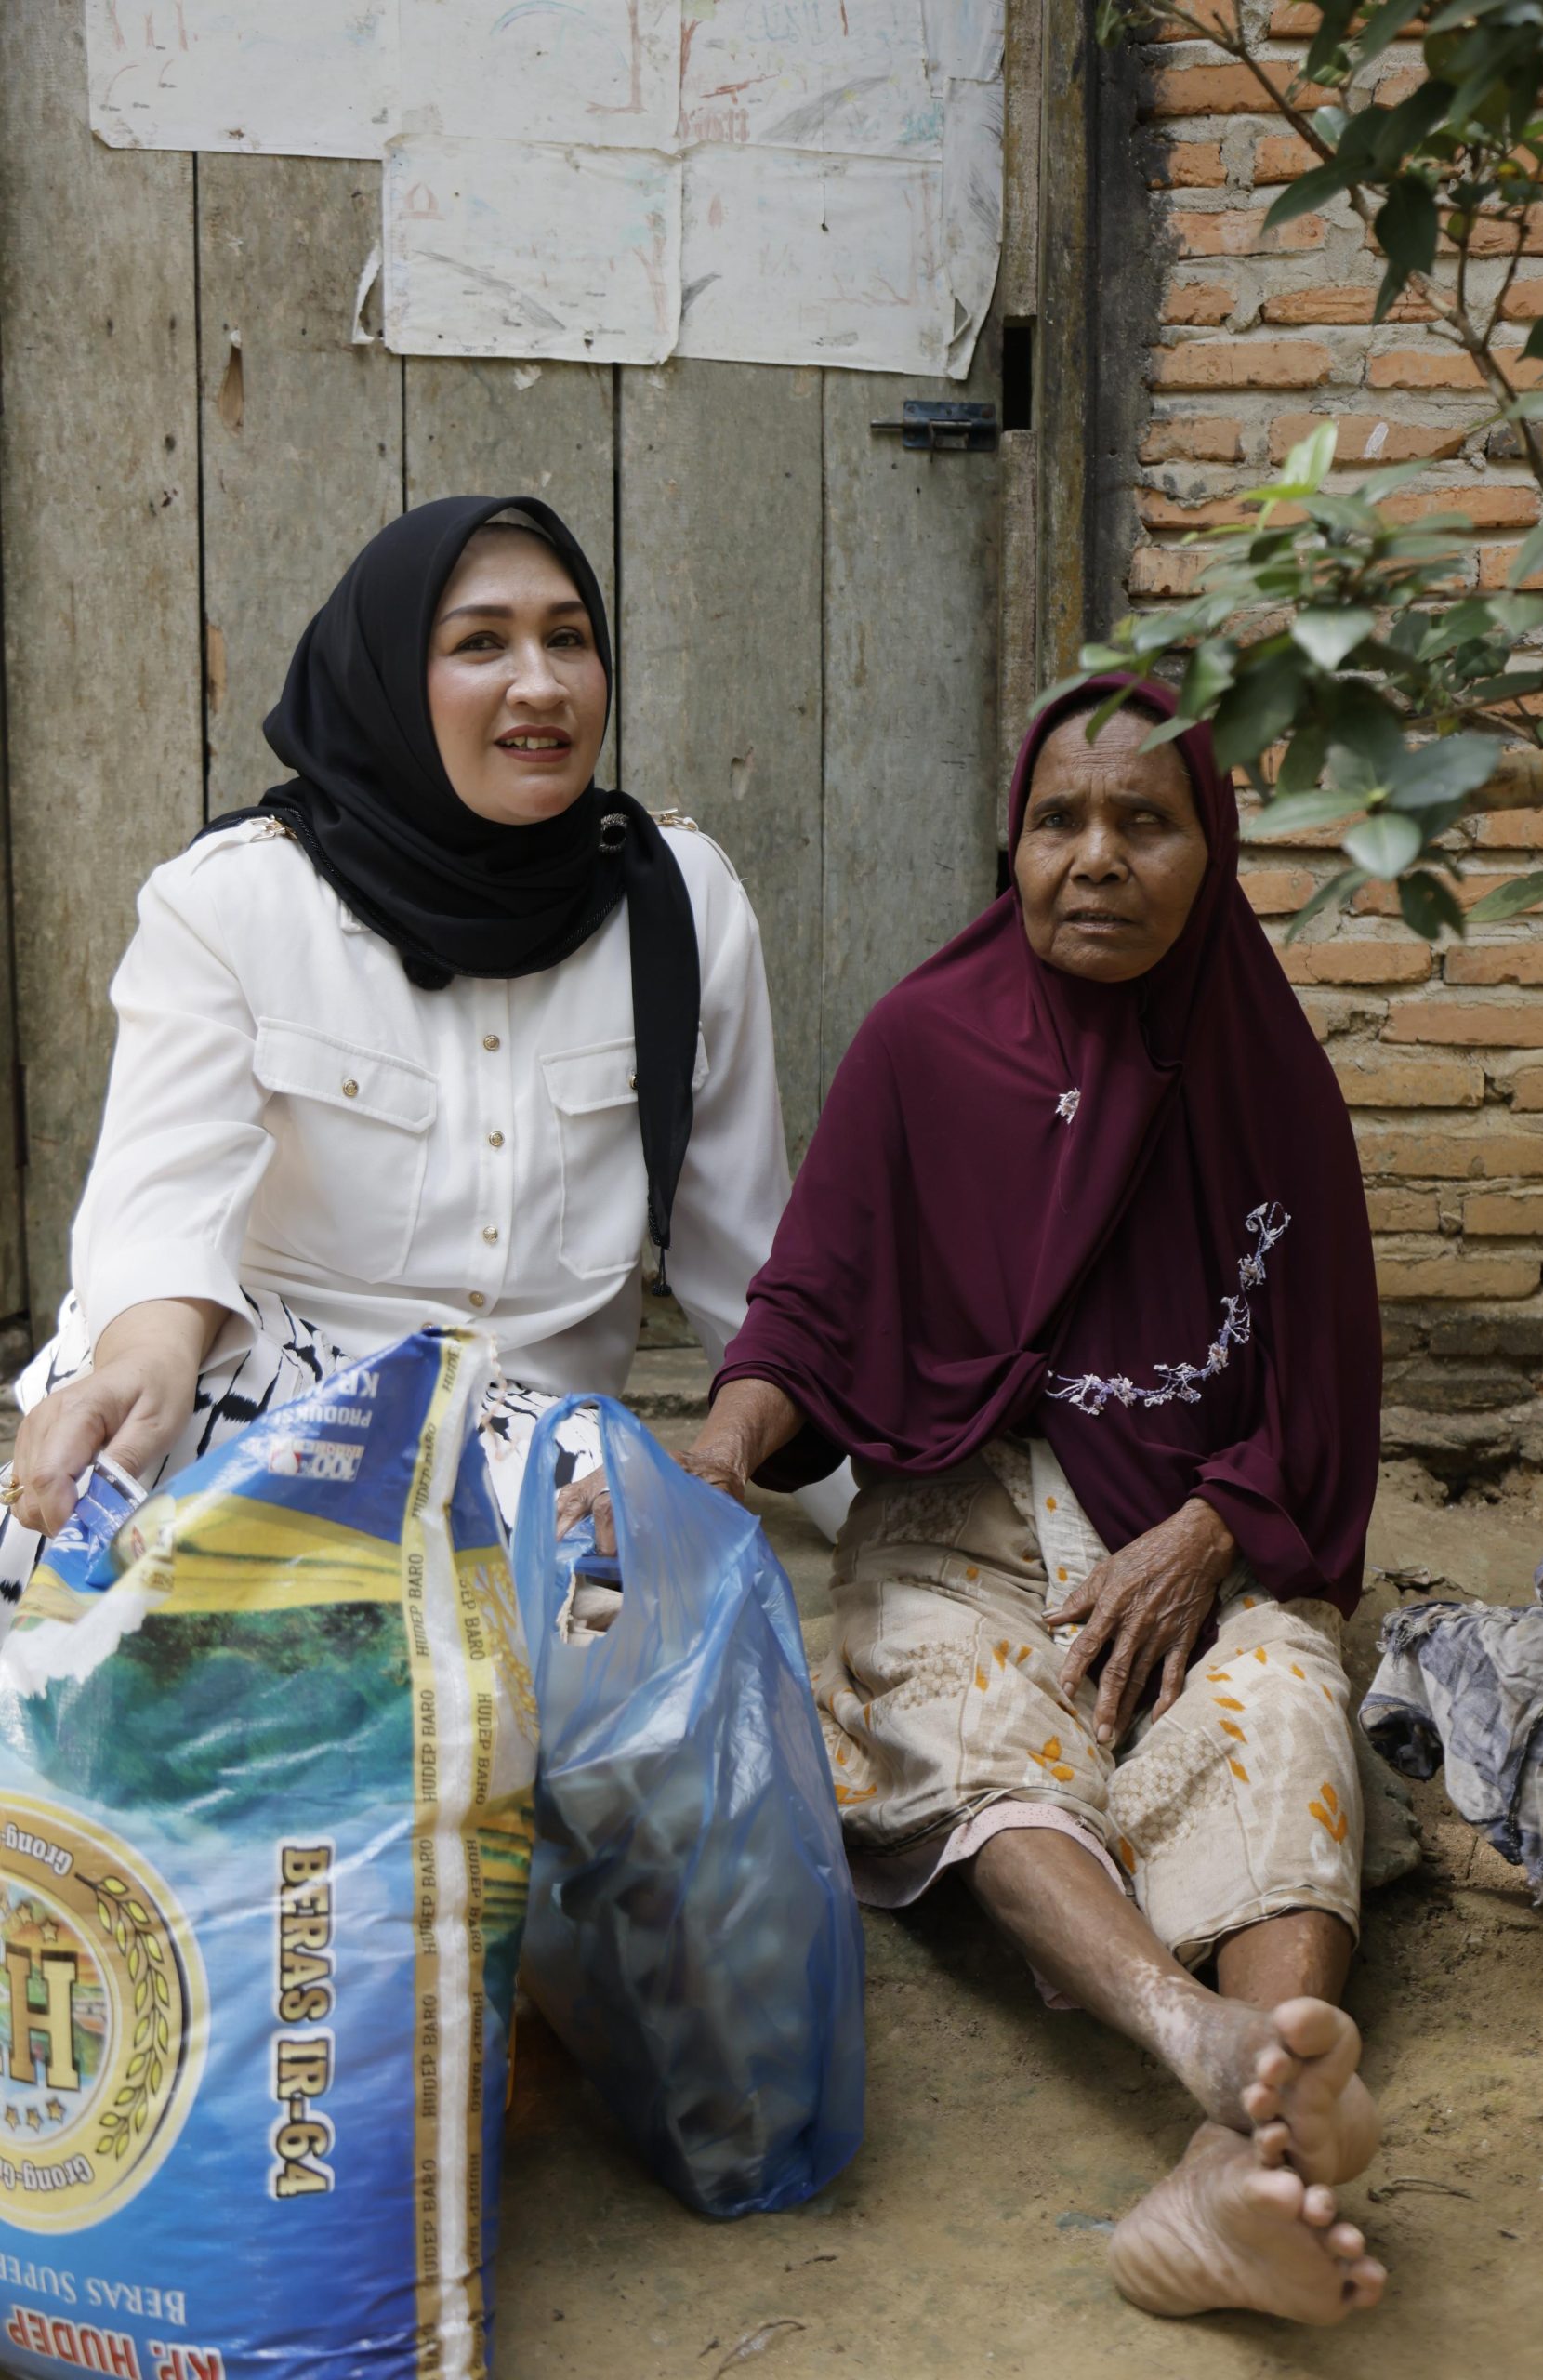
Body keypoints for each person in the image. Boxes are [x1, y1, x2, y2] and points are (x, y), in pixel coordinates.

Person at [669, 677, 1389, 2323]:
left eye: (1145, 822)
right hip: (966, 1510)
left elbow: (1326, 1379)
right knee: (961, 1718)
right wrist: (726, 1441)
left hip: (1198, 1514)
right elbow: (810, 1303)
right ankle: (1191, 2033)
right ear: (1012, 841)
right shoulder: (925, 1043)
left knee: (1283, 1705)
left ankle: (1236, 2164)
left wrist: (1209, 1534)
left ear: (1210, 851)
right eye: (1058, 820)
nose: (1094, 858)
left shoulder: (1264, 1072)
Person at [0, 494, 802, 1626]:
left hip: (531, 1459)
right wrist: (145, 1355)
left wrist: (730, 1471)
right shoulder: (235, 900)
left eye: (568, 637)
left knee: (596, 1673)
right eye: (481, 642)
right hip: (268, 1410)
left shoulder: (681, 903)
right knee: (87, 1578)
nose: (542, 683)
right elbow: (159, 1203)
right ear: (382, 677)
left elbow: (750, 1264)